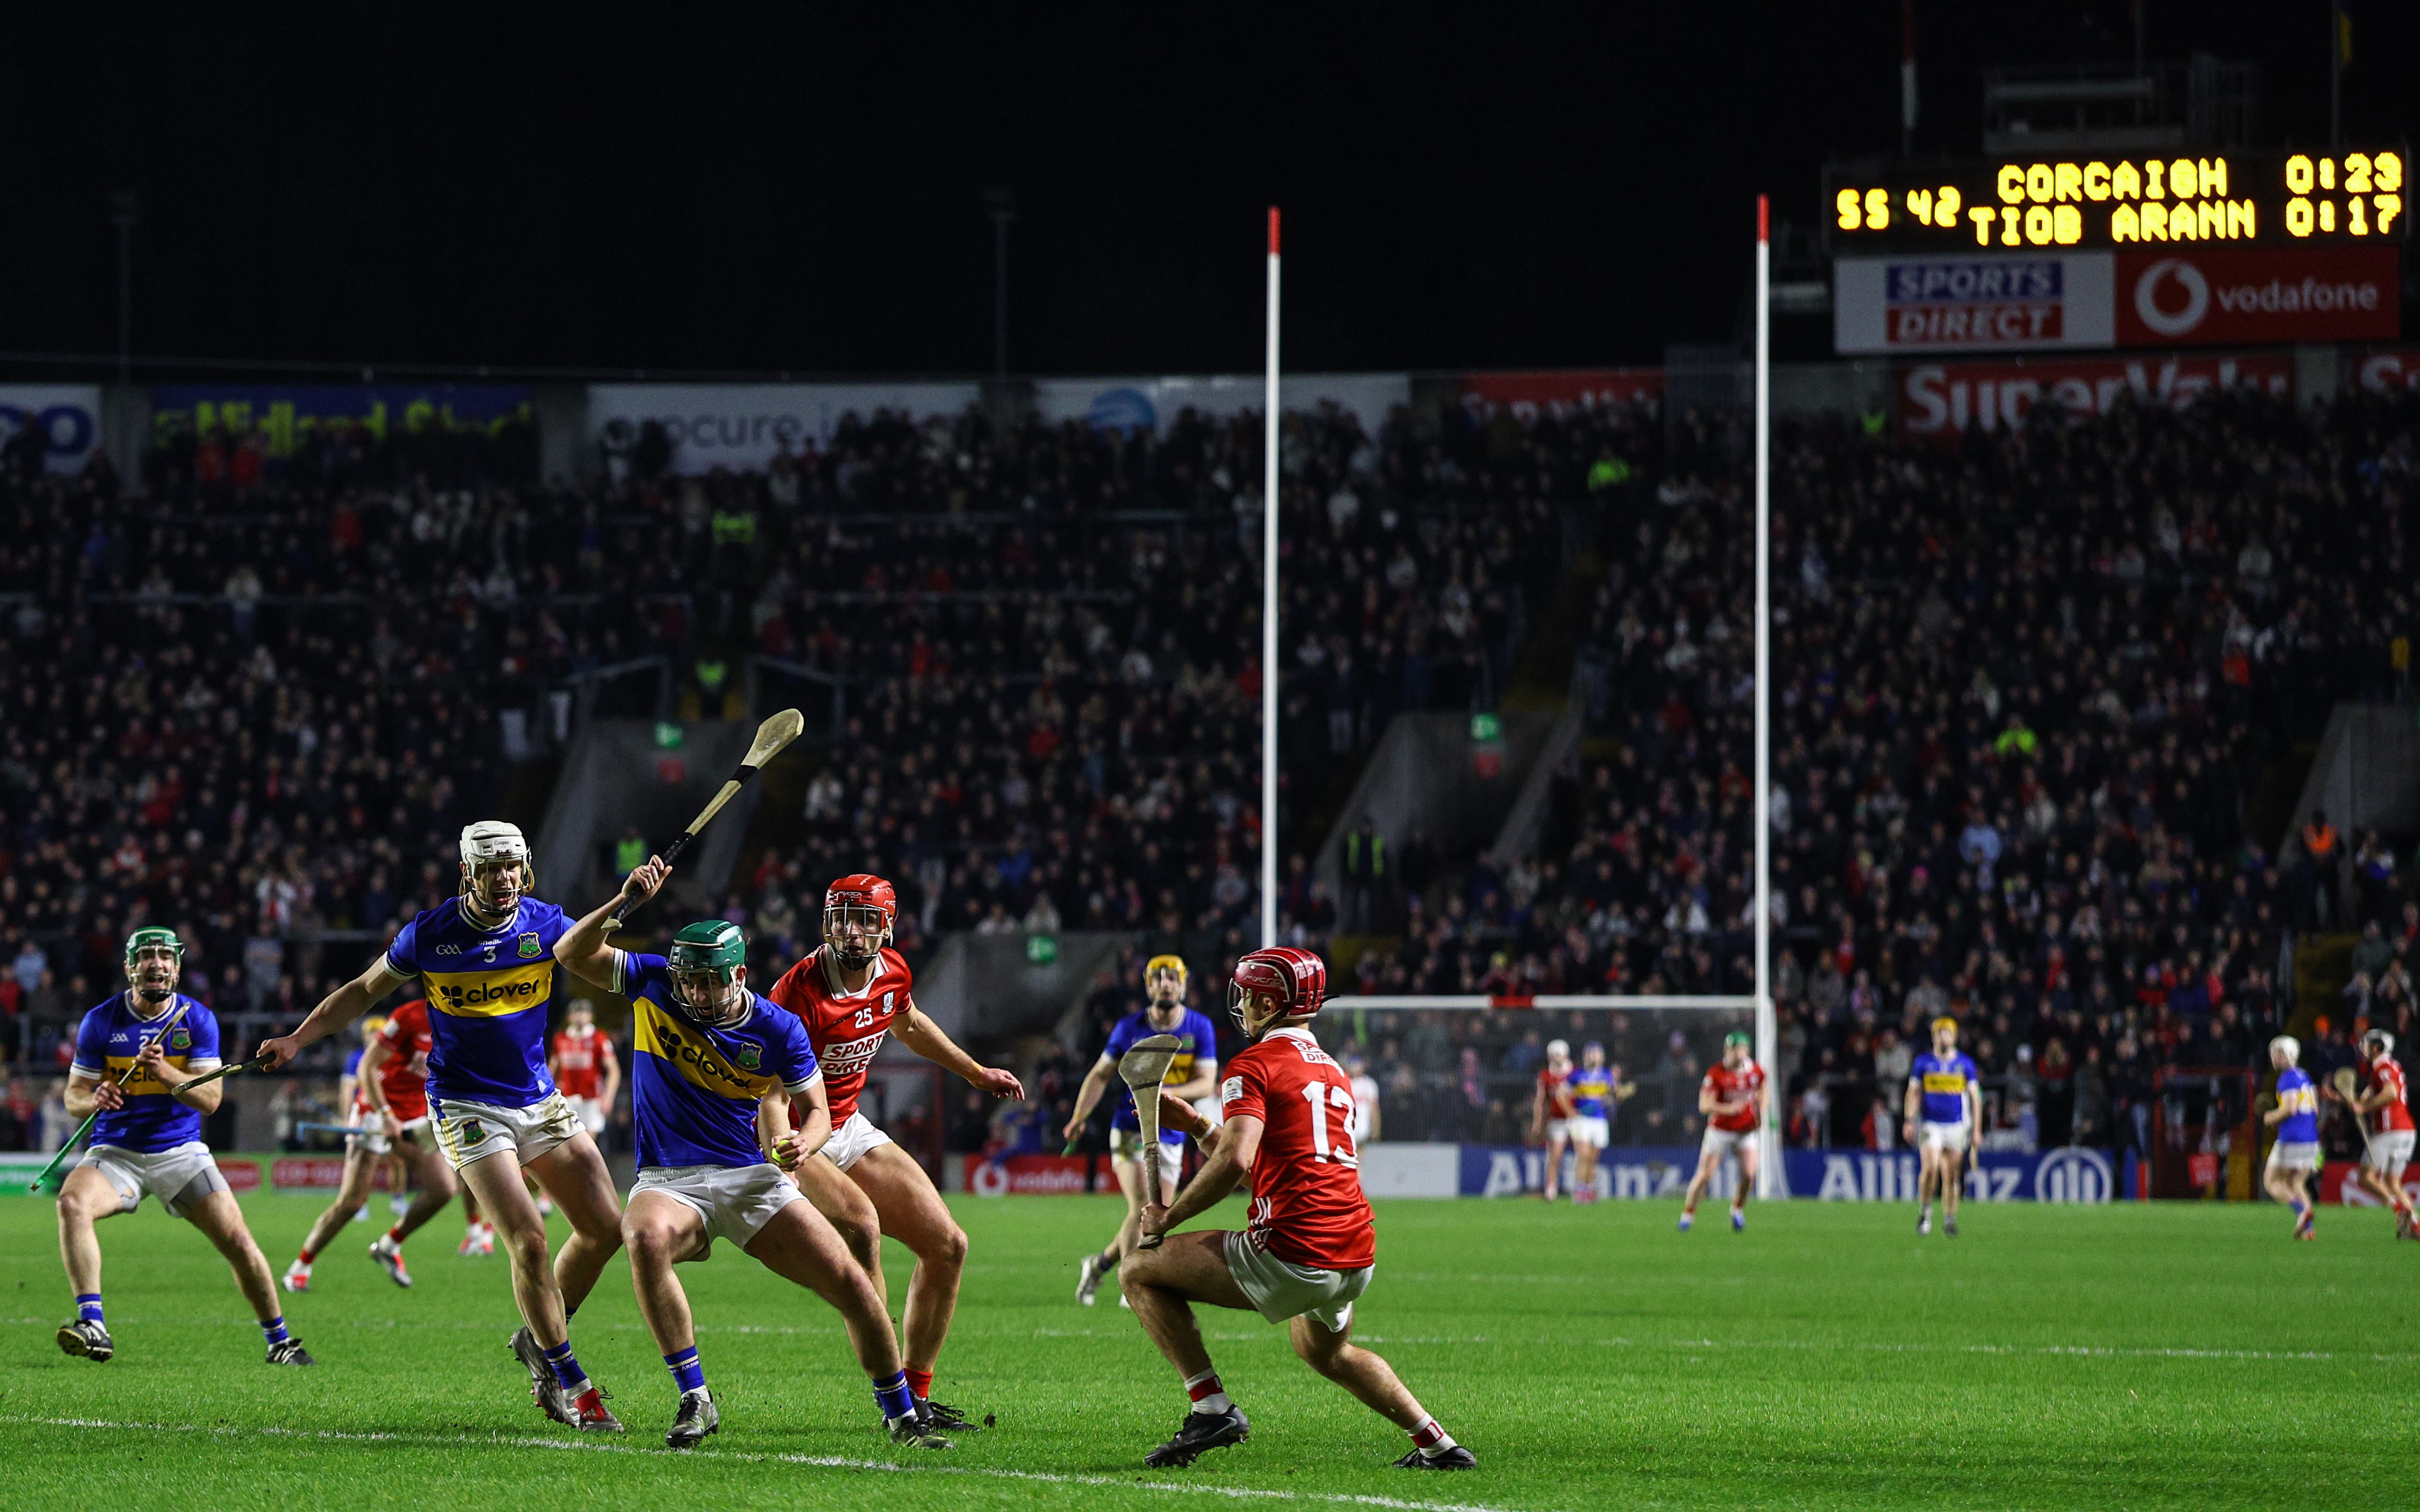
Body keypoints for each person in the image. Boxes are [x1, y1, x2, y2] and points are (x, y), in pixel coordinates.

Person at [258, 820, 626, 1430]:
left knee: (605, 1229)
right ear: (467, 873)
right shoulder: (429, 934)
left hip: (538, 1097)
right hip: (465, 1105)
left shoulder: (547, 923)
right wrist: (299, 1037)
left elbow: (601, 959)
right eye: (491, 868)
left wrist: (625, 902)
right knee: (530, 1240)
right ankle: (571, 1381)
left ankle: (539, 1338)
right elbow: (363, 990)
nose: (504, 878)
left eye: (511, 866)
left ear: (525, 868)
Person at [551, 895, 951, 1450]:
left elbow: (816, 1111)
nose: (696, 994)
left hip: (750, 1175)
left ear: (739, 976)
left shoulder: (778, 1027)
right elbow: (570, 953)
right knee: (642, 1236)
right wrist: (624, 901)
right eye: (689, 982)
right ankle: (696, 1397)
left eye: (709, 983)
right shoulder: (653, 982)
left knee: (854, 1284)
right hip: (669, 1179)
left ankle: (902, 1416)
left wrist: (803, 1144)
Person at [1122, 946, 1472, 1472]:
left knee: (1138, 1270)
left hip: (1296, 1249)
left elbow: (1235, 1158)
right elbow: (1264, 1171)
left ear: (1268, 1003)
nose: (1242, 1004)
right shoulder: (1334, 1072)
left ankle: (1211, 1408)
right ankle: (1438, 1445)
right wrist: (1197, 1124)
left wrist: (1169, 1217)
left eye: (1247, 995)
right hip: (1355, 1252)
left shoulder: (1253, 1064)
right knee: (1325, 1352)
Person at [767, 874, 1026, 1432]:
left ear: (886, 926)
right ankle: (894, 1403)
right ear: (827, 923)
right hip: (794, 1136)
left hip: (845, 1125)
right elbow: (770, 1095)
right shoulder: (798, 992)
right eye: (843, 919)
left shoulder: (893, 971)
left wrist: (974, 1072)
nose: (852, 932)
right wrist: (785, 1150)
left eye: (865, 920)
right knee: (863, 1228)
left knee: (948, 1245)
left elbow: (908, 1024)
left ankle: (917, 1394)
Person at [55, 928, 313, 1366]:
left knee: (238, 1240)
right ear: (130, 967)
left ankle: (280, 1342)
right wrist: (94, 1098)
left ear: (176, 968)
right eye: (146, 956)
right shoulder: (101, 1020)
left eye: (164, 956)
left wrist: (164, 1072)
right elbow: (73, 1097)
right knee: (71, 1204)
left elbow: (210, 1100)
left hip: (180, 1152)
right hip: (116, 1152)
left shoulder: (196, 1019)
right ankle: (93, 1324)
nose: (156, 963)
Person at [1066, 955, 1219, 1306]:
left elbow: (1206, 1082)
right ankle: (1134, 1283)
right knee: (1140, 1207)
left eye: (1173, 978)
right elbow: (1100, 1075)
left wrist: (1164, 1095)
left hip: (1172, 1132)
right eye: (1158, 978)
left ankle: (1098, 1266)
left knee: (1157, 1216)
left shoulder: (1199, 1027)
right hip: (1130, 1126)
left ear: (1183, 984)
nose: (1166, 984)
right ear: (1148, 986)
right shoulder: (1128, 1028)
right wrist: (1078, 1116)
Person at [283, 995, 455, 1290]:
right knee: (352, 1203)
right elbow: (366, 1068)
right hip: (376, 1110)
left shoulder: (469, 1020)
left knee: (444, 1189)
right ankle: (300, 1266)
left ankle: (389, 1245)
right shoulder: (410, 1016)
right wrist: (386, 1115)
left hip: (416, 1114)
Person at [2330, 1029, 2417, 1235]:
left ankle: (2398, 1207)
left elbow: (2391, 1093)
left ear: (2377, 1048)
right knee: (2392, 1182)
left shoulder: (2382, 1067)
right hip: (2407, 1132)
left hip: (2390, 1131)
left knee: (2365, 1177)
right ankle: (2415, 1225)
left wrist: (2365, 1108)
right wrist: (2341, 1099)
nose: (2363, 1048)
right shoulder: (2390, 1067)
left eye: (2367, 1045)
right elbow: (2362, 1101)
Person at [1680, 1031, 1767, 1232]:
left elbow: (1763, 1089)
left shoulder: (1755, 1071)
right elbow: (1704, 1106)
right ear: (1727, 1050)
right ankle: (1688, 1214)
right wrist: (1729, 1109)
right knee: (1705, 1175)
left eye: (1741, 1049)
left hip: (1745, 1130)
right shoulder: (1716, 1074)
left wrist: (1761, 1113)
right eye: (1734, 1050)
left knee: (1749, 1174)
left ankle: (1737, 1210)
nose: (1738, 1053)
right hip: (1720, 1130)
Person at [1905, 1016, 1982, 1237]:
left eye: (1948, 1033)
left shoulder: (1965, 1064)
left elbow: (1976, 1099)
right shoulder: (1923, 1063)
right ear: (1934, 1037)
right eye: (1940, 1034)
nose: (1944, 1038)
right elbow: (1913, 1093)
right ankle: (1925, 1212)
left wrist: (1977, 1130)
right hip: (1931, 1124)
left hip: (1956, 1126)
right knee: (1930, 1169)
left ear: (1954, 1037)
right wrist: (1909, 1119)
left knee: (1951, 1176)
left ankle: (1949, 1219)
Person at [2262, 1035, 2321, 1239]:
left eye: (2279, 1053)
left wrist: (2271, 1117)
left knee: (2271, 1183)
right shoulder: (2305, 1076)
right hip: (2312, 1140)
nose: (2275, 1057)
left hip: (2292, 1139)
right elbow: (2315, 1109)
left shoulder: (2287, 1078)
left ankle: (2302, 1212)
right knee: (2296, 1183)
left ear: (2289, 1055)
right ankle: (2309, 1229)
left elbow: (2291, 1108)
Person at [550, 1000, 621, 1141]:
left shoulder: (599, 1038)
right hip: (567, 1098)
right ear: (569, 1016)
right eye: (576, 1012)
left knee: (588, 1141)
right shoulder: (560, 1038)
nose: (580, 1016)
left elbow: (614, 1070)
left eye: (584, 1012)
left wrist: (608, 1098)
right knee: (569, 1142)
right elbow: (551, 1069)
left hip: (592, 1099)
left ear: (591, 1016)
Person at [1565, 1042, 1627, 1203]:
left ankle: (1589, 1188)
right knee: (1583, 1155)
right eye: (1591, 1054)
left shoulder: (1607, 1076)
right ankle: (1579, 1190)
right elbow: (1562, 1093)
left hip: (1600, 1120)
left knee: (1593, 1158)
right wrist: (1570, 1111)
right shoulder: (1577, 1075)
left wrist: (1618, 1093)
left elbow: (1616, 1097)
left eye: (1597, 1054)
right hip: (1582, 1119)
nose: (1593, 1057)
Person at [1529, 1039, 1580, 1201]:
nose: (1557, 1058)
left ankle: (1581, 1189)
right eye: (1554, 1055)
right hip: (1557, 1120)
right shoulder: (1546, 1075)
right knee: (1555, 1155)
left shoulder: (1575, 1072)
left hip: (1576, 1119)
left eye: (1559, 1054)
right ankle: (1551, 1189)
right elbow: (1540, 1100)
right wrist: (1537, 1122)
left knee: (1583, 1154)